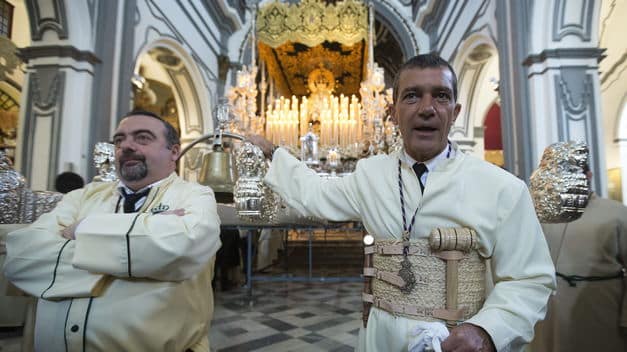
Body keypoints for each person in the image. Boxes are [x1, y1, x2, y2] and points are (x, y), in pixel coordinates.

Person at [249, 53, 555, 351]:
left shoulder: (502, 189)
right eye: (412, 96)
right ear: (393, 112)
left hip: (456, 341)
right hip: (381, 337)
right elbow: (316, 195)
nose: (427, 108)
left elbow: (530, 278)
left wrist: (487, 330)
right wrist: (272, 153)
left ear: (456, 111)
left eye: (441, 96)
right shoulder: (371, 174)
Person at [3, 110, 221, 352]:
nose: (126, 146)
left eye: (143, 138)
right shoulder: (82, 196)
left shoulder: (194, 196)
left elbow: (183, 246)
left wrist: (83, 228)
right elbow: (20, 257)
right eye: (119, 140)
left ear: (174, 152)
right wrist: (141, 254)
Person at [531, 167, 627, 352]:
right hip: (548, 315)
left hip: (601, 308)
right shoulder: (541, 214)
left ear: (588, 175)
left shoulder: (617, 214)